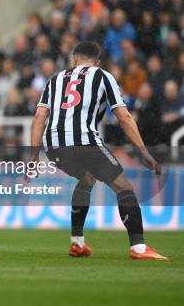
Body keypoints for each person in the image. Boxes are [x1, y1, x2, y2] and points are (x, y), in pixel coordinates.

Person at [29, 41, 168, 260]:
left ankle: (77, 243)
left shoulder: (54, 79)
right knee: (123, 186)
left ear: (74, 59)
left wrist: (33, 157)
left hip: (54, 146)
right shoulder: (103, 76)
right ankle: (139, 248)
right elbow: (124, 117)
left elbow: (39, 118)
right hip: (84, 142)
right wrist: (144, 152)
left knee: (88, 179)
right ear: (98, 62)